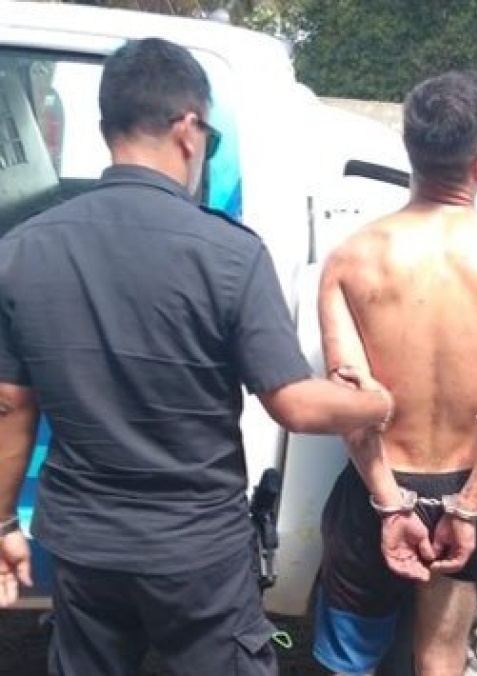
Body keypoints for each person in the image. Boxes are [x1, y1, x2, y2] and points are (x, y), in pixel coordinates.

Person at [0, 38, 392, 676]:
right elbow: (293, 403)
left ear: (106, 128)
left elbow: (10, 404)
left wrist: (1, 526)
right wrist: (376, 404)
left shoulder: (22, 249)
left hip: (84, 545)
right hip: (196, 554)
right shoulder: (230, 254)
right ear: (188, 128)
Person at [312, 70, 477, 676]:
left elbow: (351, 405)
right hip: (469, 484)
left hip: (378, 485)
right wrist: (467, 508)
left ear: (410, 153)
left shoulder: (350, 260)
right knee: (441, 660)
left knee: (347, 667)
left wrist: (391, 505)